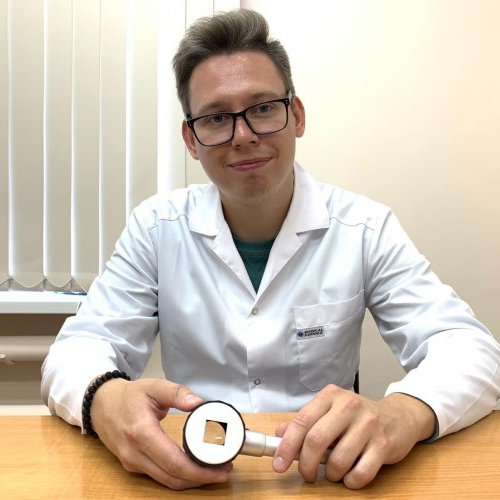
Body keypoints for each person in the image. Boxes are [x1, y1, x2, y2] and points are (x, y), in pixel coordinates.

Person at [41, 9, 500, 491]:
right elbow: (75, 351)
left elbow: (472, 351)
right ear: (191, 140)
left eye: (262, 109)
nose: (243, 136)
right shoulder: (156, 229)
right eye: (216, 118)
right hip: (188, 472)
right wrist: (104, 397)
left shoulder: (365, 228)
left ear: (296, 115)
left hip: (320, 475)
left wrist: (402, 413)